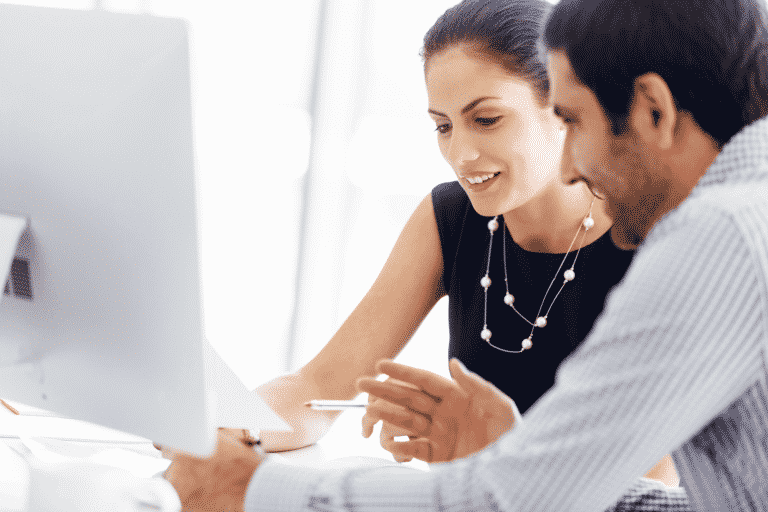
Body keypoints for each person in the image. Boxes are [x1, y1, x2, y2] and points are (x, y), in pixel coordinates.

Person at [162, 0, 768, 509]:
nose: (570, 163)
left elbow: (513, 498)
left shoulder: (718, 233)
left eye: (573, 121)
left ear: (652, 111)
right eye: (443, 126)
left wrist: (253, 490)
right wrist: (515, 449)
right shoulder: (741, 215)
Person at [249, 0, 677, 486]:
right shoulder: (449, 217)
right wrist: (217, 431)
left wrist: (486, 455)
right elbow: (318, 387)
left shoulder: (649, 240)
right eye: (444, 126)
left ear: (562, 108)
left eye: (487, 119)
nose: (460, 154)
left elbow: (653, 485)